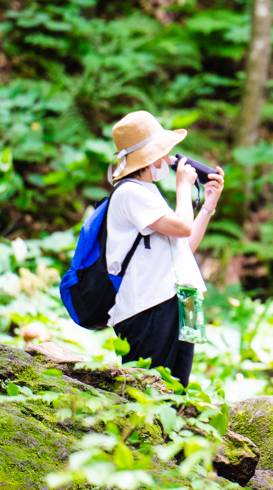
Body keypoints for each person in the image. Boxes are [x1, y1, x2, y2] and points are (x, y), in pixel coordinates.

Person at [105, 110, 224, 387]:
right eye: (164, 152)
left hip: (186, 297)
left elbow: (184, 247)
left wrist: (208, 205)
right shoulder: (129, 193)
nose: (169, 159)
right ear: (148, 157)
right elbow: (183, 226)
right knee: (150, 390)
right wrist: (183, 186)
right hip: (150, 304)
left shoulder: (150, 192)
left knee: (178, 387)